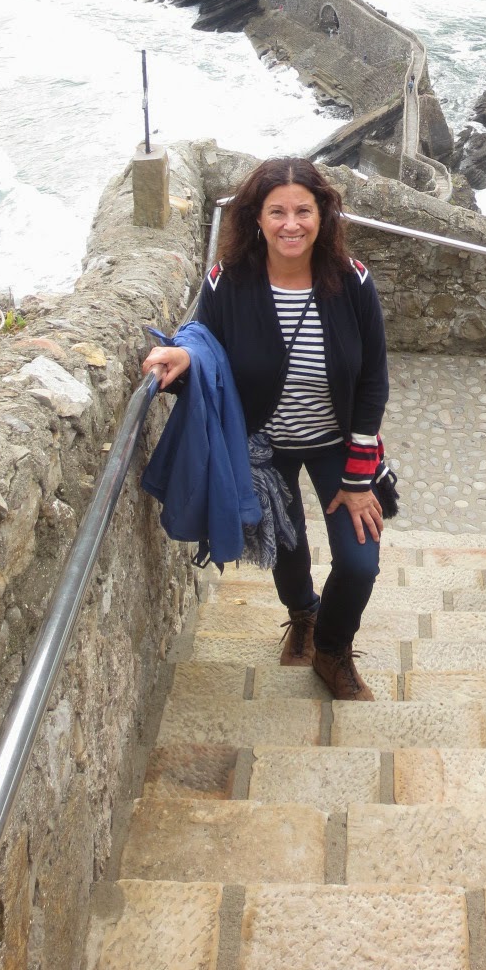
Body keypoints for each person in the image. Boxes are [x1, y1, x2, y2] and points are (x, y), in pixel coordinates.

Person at [142, 157, 389, 702]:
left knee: (359, 562)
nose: (291, 224)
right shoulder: (228, 281)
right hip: (263, 447)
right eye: (277, 212)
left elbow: (374, 380)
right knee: (287, 547)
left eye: (303, 211)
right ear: (257, 217)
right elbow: (205, 345)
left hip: (337, 444)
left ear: (323, 215)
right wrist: (183, 357)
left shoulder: (352, 281)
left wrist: (358, 479)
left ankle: (331, 649)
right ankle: (304, 615)